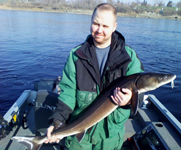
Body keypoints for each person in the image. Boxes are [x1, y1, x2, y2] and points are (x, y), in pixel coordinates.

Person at [44, 3, 144, 150]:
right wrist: (57, 121)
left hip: (110, 135)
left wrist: (129, 101)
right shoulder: (76, 55)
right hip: (78, 133)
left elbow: (140, 93)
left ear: (114, 26)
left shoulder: (128, 57)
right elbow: (68, 92)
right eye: (96, 24)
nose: (99, 30)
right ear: (90, 22)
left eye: (105, 26)